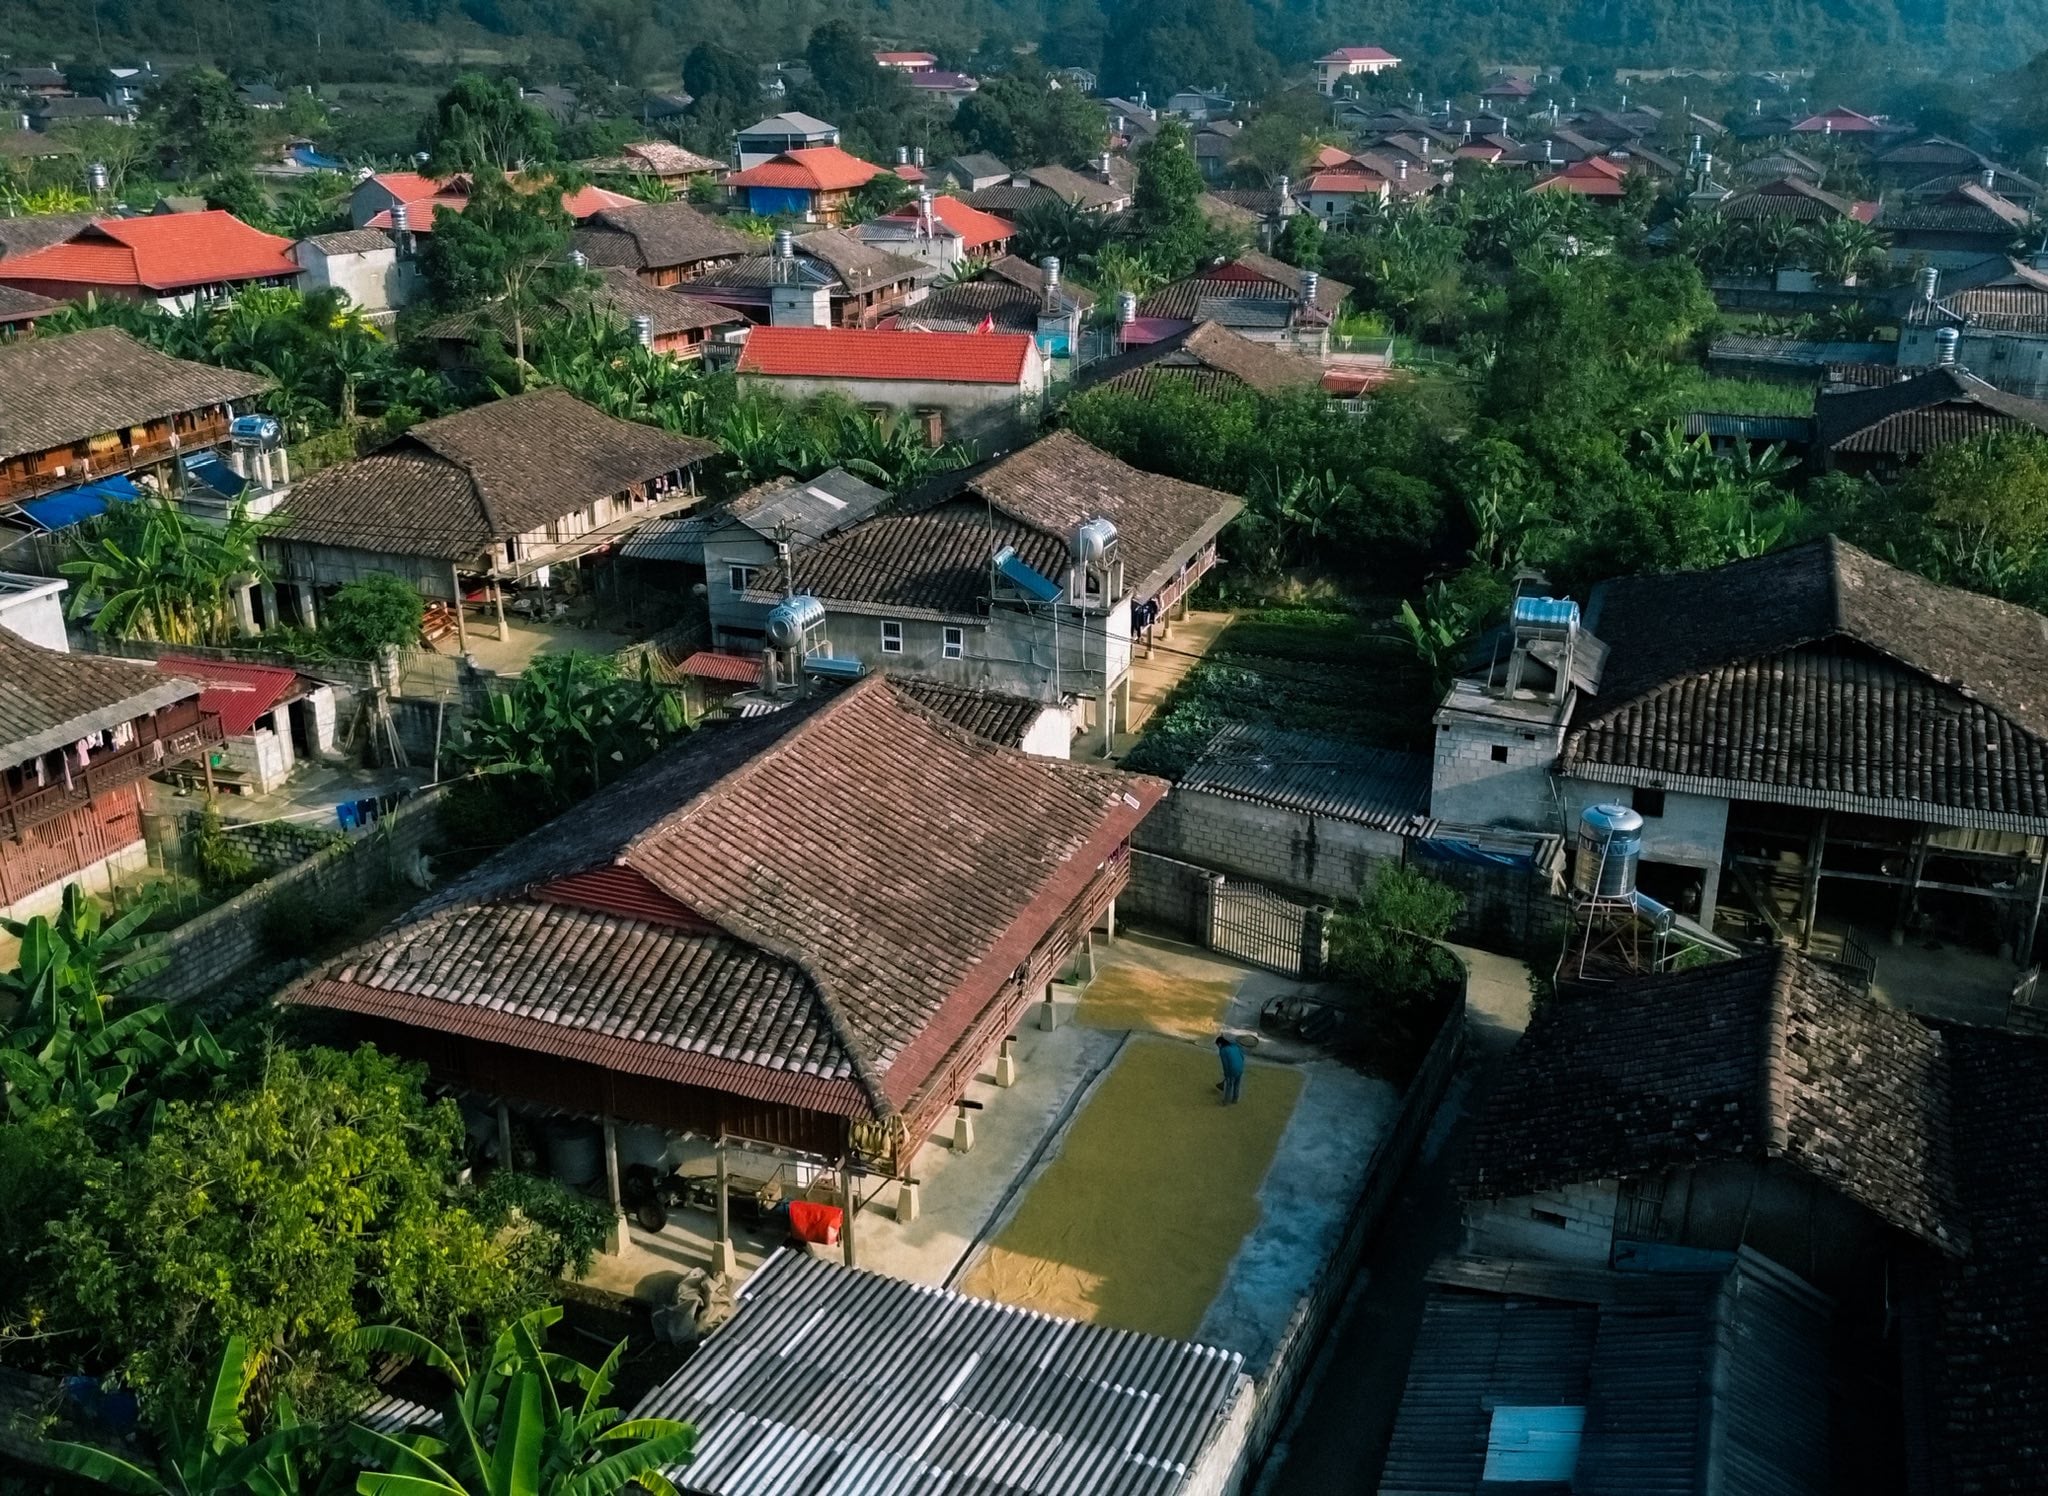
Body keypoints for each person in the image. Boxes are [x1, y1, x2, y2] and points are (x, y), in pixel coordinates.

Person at [1215, 1033, 1245, 1105]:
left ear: (1219, 1044)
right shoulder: (1234, 1046)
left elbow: (1225, 1064)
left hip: (1232, 1070)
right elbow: (1242, 1057)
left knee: (1229, 1085)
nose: (1218, 1047)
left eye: (1218, 1045)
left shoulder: (1223, 1051)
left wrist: (1226, 1075)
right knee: (1237, 1084)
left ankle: (1226, 1102)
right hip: (1240, 1068)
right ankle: (1235, 1099)